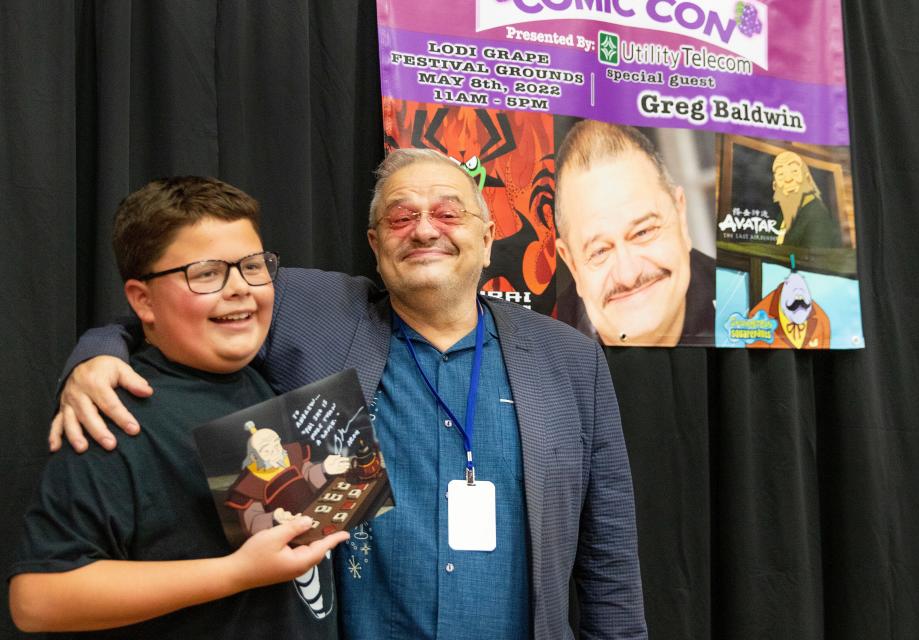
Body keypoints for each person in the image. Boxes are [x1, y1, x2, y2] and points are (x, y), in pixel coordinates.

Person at [50, 150, 647, 639]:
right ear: (374, 242)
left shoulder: (569, 358)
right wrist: (96, 356)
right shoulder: (316, 312)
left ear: (489, 239)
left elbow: (609, 553)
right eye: (400, 217)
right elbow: (179, 305)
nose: (425, 229)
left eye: (448, 212)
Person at [9, 177, 348, 636]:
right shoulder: (114, 414)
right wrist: (235, 573)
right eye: (206, 273)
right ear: (142, 300)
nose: (240, 288)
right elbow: (37, 599)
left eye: (253, 265)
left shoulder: (263, 376)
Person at [554, 119, 714, 347]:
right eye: (600, 251)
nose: (628, 275)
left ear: (681, 216)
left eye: (643, 232)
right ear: (572, 265)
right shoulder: (544, 346)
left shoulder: (749, 307)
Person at [772, 151, 842, 248]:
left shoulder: (816, 213)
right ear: (775, 186)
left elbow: (816, 258)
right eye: (781, 175)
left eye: (794, 171)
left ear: (807, 179)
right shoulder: (786, 214)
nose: (788, 179)